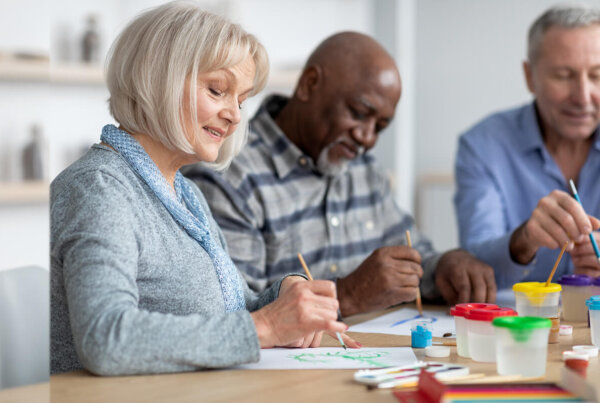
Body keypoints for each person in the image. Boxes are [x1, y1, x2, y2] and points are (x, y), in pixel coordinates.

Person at [50, 2, 357, 376]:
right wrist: (267, 326)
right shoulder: (98, 190)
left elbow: (235, 308)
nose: (235, 115)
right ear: (157, 80)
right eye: (217, 91)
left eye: (241, 100)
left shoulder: (186, 193)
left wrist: (286, 294)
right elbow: (106, 338)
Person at [183, 31, 496, 316]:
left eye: (380, 127)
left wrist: (442, 267)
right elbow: (234, 312)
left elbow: (414, 257)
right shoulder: (228, 173)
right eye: (359, 114)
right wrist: (347, 295)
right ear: (309, 84)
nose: (367, 138)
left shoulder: (364, 170)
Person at [455, 4, 600, 290]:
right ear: (529, 76)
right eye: (563, 75)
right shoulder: (483, 145)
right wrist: (524, 240)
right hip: (520, 328)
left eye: (596, 75)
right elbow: (474, 264)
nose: (583, 96)